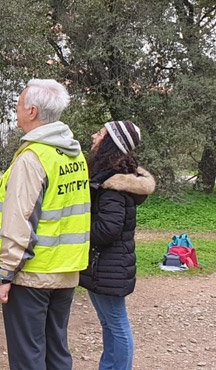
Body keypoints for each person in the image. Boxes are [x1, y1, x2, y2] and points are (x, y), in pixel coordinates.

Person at [0, 79, 90, 370]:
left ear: (33, 111)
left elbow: (18, 223)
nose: (15, 108)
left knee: (28, 356)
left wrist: (5, 276)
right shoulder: (75, 156)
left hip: (32, 276)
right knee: (56, 351)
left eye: (19, 103)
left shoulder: (32, 158)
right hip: (65, 272)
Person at [80, 121, 154, 370]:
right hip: (108, 266)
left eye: (100, 133)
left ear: (111, 142)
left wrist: (76, 231)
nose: (94, 135)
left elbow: (107, 229)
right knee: (110, 323)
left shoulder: (112, 185)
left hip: (108, 266)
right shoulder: (108, 178)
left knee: (117, 325)